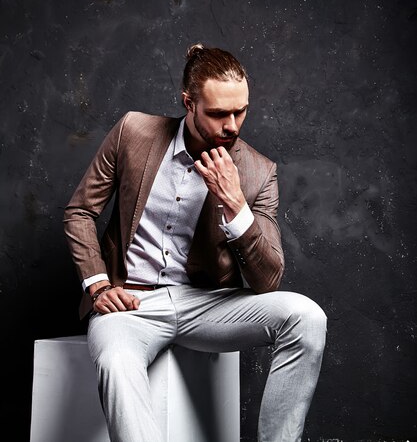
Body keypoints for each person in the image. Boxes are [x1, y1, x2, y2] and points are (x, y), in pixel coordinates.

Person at [64, 43, 327, 442]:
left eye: (241, 111)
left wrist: (236, 205)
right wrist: (98, 284)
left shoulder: (258, 172)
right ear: (188, 103)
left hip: (208, 305)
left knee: (308, 317)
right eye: (219, 113)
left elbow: (268, 280)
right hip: (131, 302)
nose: (233, 125)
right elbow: (80, 212)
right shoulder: (134, 132)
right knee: (116, 362)